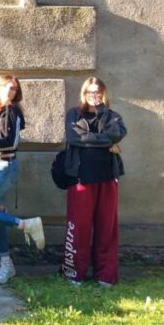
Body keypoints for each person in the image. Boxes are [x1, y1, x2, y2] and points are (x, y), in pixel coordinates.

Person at [0, 76, 45, 284]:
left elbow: (10, 143)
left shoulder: (13, 111)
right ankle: (6, 263)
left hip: (4, 167)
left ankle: (25, 224)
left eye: (14, 89)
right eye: (7, 87)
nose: (10, 91)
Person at [61, 78, 126, 286]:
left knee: (106, 228)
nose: (94, 95)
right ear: (84, 93)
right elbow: (75, 138)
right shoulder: (74, 114)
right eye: (90, 91)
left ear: (103, 93)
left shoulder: (111, 116)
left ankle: (105, 275)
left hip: (107, 177)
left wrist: (101, 113)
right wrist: (106, 142)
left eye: (97, 92)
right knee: (79, 227)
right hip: (81, 178)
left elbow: (117, 133)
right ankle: (74, 273)